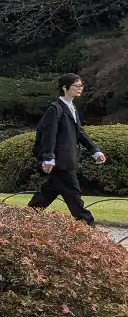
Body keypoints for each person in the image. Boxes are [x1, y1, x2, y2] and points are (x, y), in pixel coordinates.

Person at [29, 73, 108, 224]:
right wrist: (48, 157)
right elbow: (49, 134)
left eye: (81, 86)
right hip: (60, 161)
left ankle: (25, 218)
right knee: (73, 193)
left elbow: (79, 132)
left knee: (49, 192)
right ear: (65, 88)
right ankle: (87, 224)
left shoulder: (71, 107)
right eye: (76, 86)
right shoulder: (55, 109)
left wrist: (94, 150)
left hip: (67, 159)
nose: (80, 88)